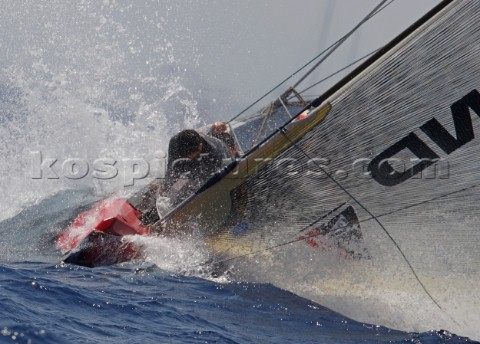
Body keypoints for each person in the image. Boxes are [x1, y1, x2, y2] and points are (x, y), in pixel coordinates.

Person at [164, 127, 233, 206]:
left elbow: (216, 176)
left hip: (219, 160)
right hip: (198, 161)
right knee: (175, 180)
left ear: (200, 147)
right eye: (186, 154)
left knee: (202, 179)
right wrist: (165, 190)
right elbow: (171, 172)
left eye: (191, 154)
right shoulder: (175, 143)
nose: (189, 157)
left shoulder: (213, 150)